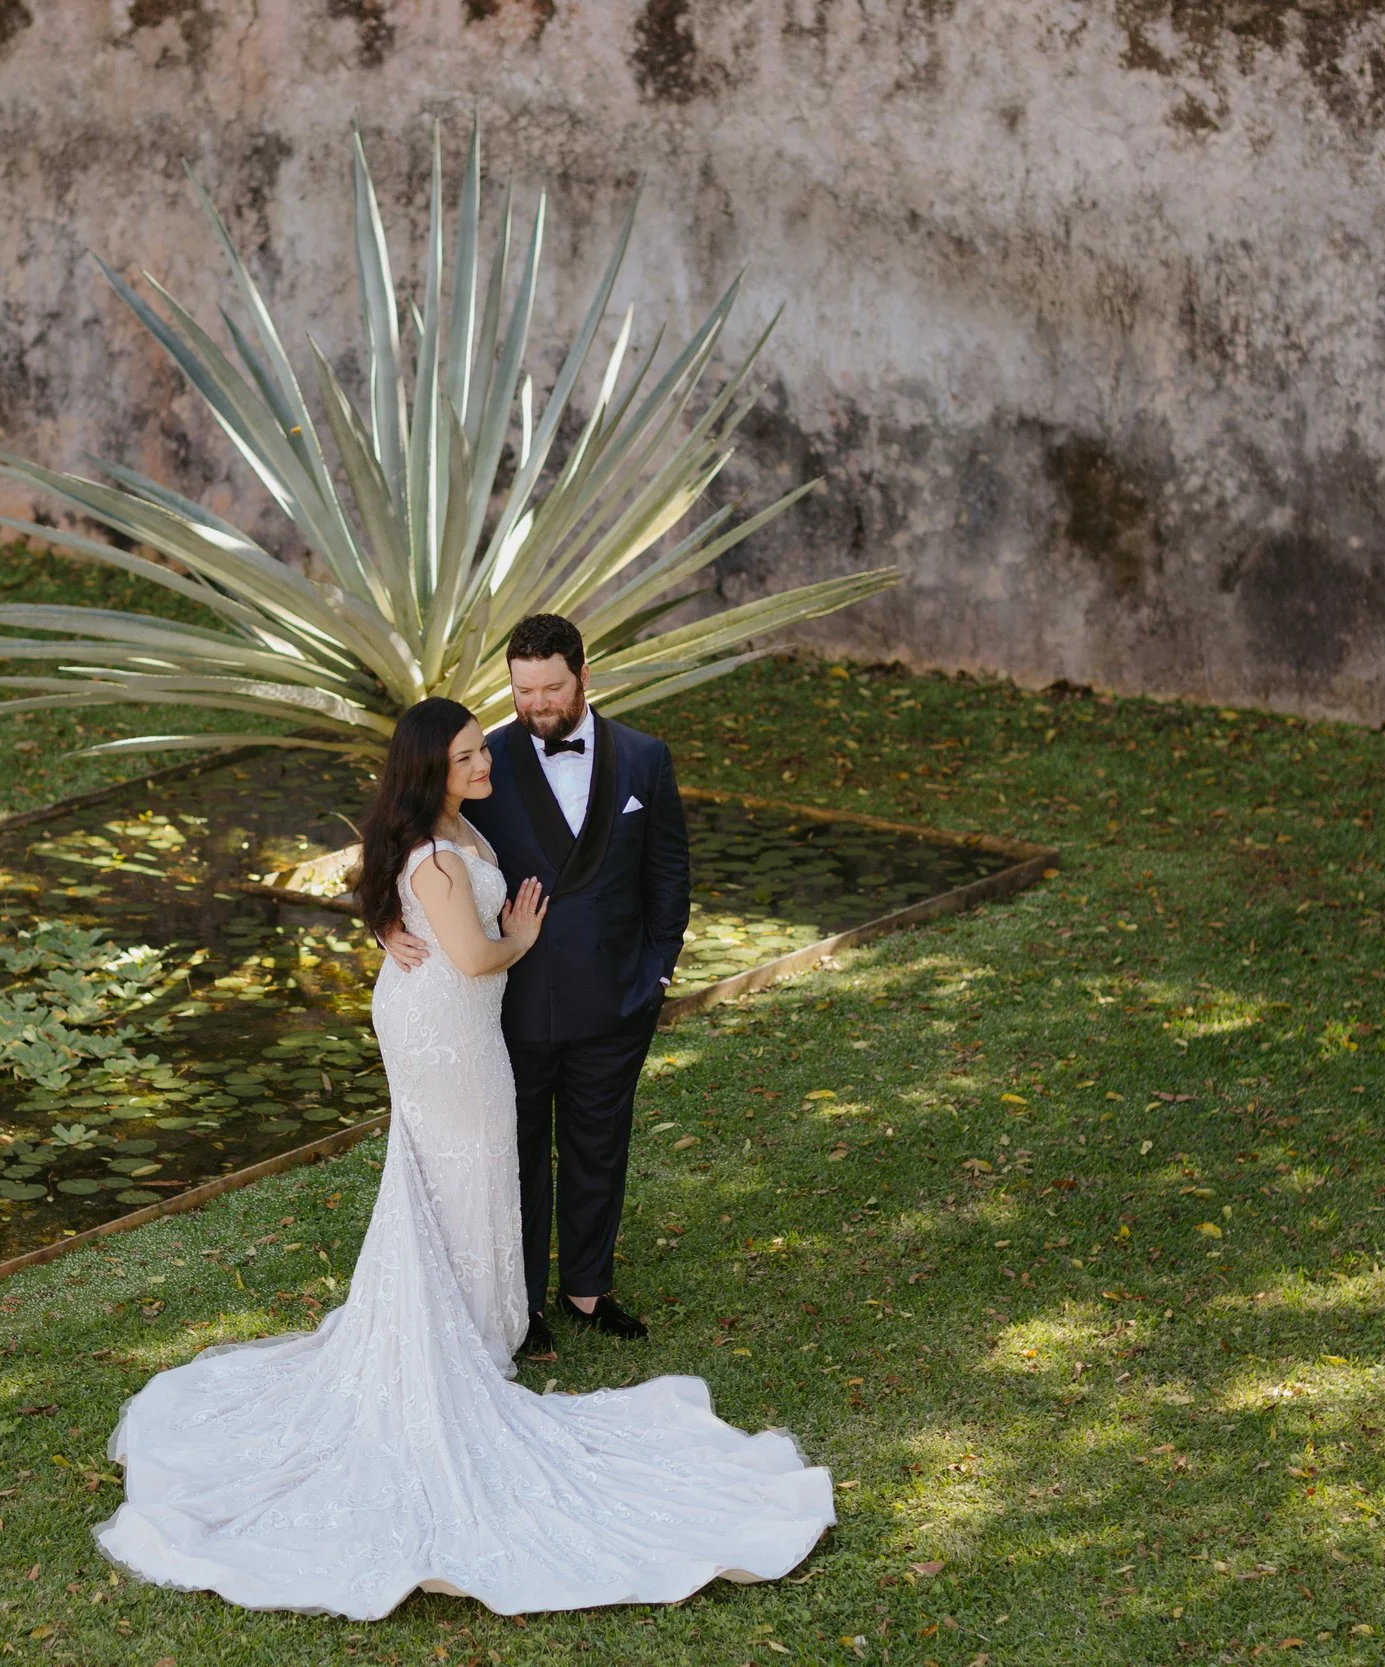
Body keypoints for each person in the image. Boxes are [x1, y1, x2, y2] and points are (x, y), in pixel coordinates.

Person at [92, 698, 832, 1618]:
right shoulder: (439, 855)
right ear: (432, 769)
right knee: (468, 1165)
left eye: (484, 749)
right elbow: (478, 957)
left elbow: (414, 907)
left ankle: (475, 1321)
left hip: (450, 1023)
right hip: (448, 1029)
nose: (488, 763)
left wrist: (422, 925)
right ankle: (468, 1335)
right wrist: (517, 936)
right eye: (472, 755)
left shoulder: (445, 835)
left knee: (461, 1173)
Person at [383, 613, 687, 1357]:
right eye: (524, 690)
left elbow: (668, 873)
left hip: (616, 998)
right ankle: (516, 1305)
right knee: (512, 1153)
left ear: (585, 675)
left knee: (598, 1144)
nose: (539, 703)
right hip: (507, 1006)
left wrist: (657, 970)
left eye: (553, 686)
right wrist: (386, 921)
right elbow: (404, 835)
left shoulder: (646, 760)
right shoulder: (482, 760)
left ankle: (589, 1288)